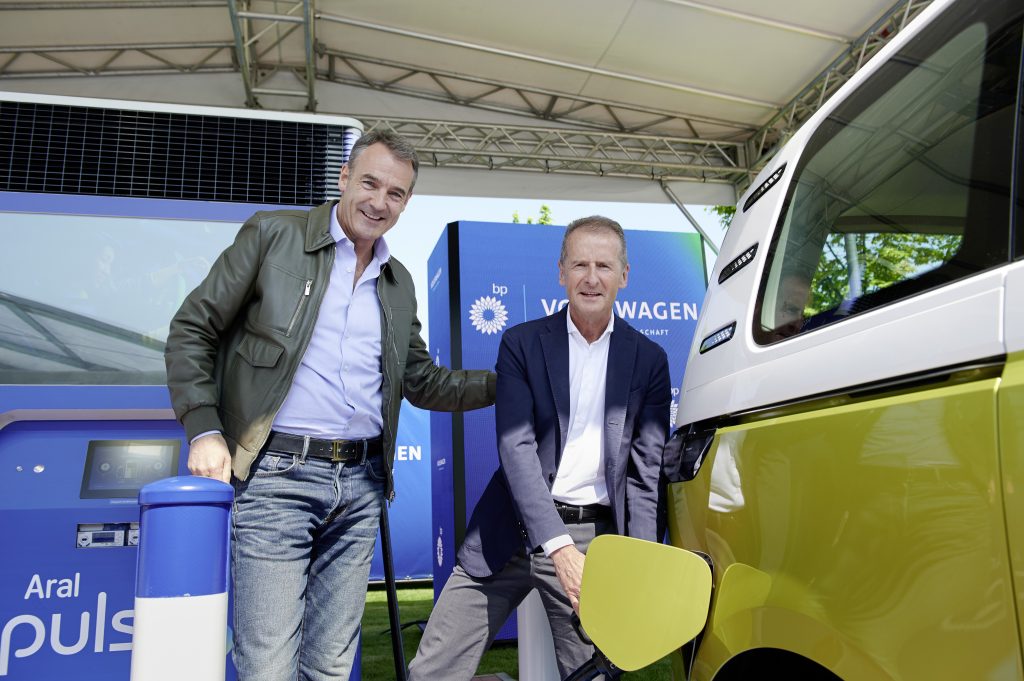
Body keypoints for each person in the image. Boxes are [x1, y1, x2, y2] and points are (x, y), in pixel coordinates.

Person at [164, 130, 496, 681]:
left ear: (406, 202)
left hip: (362, 488)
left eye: (395, 193)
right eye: (370, 183)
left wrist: (509, 384)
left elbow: (422, 382)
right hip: (276, 480)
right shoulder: (273, 235)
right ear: (343, 177)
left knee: (330, 667)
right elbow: (191, 329)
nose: (379, 201)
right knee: (268, 666)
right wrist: (203, 428)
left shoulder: (398, 282)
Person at [408, 216, 671, 680]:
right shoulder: (521, 344)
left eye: (604, 266)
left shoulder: (649, 360)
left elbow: (644, 476)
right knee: (432, 672)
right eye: (580, 265)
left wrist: (640, 565)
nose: (592, 278)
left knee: (592, 676)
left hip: (595, 544)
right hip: (508, 530)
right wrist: (559, 548)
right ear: (561, 272)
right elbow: (516, 448)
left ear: (624, 275)